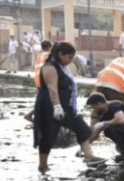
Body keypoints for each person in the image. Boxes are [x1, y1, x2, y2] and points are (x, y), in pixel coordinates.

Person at [33, 42, 104, 172]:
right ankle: (42, 166)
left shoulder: (61, 67)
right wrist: (57, 106)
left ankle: (89, 157)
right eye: (69, 57)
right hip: (50, 106)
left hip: (67, 106)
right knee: (47, 136)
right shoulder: (50, 67)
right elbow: (52, 89)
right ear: (60, 54)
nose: (70, 61)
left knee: (81, 127)